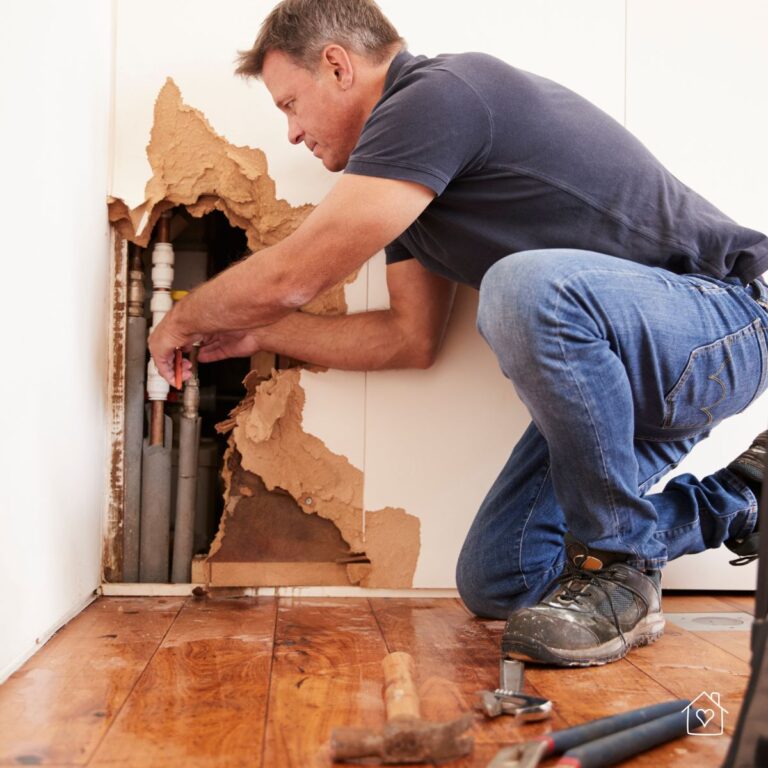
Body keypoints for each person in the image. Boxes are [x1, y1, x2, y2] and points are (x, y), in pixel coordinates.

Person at [148, 0, 767, 666]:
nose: (293, 133)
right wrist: (256, 336)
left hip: (721, 326)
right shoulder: (408, 196)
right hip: (618, 383)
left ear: (337, 65)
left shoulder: (438, 96)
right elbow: (406, 338)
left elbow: (294, 275)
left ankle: (618, 566)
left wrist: (184, 318)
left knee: (522, 288)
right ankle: (745, 498)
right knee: (503, 577)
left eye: (290, 105)